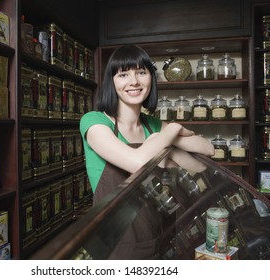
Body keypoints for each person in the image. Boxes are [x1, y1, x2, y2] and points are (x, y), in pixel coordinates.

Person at [79, 44, 214, 259]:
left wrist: (167, 135)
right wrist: (171, 131)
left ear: (151, 78)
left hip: (160, 235)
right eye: (123, 74)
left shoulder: (153, 126)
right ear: (111, 82)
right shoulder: (95, 121)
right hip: (115, 246)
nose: (134, 81)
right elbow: (136, 161)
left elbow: (207, 150)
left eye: (141, 72)